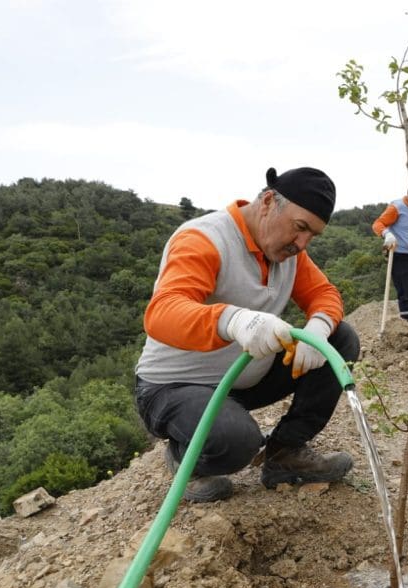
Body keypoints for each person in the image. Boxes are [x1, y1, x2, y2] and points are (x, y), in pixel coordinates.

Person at [134, 167, 360, 502]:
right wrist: (233, 320)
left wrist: (319, 327)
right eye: (300, 228)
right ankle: (188, 458)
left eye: (312, 236)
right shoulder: (205, 239)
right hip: (174, 387)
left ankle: (286, 453)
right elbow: (163, 313)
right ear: (269, 201)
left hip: (243, 381)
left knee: (340, 339)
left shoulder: (287, 254)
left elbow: (324, 295)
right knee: (237, 442)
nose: (302, 244)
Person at [373, 179, 408, 327]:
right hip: (400, 256)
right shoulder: (397, 207)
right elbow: (377, 224)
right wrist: (387, 234)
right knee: (405, 294)